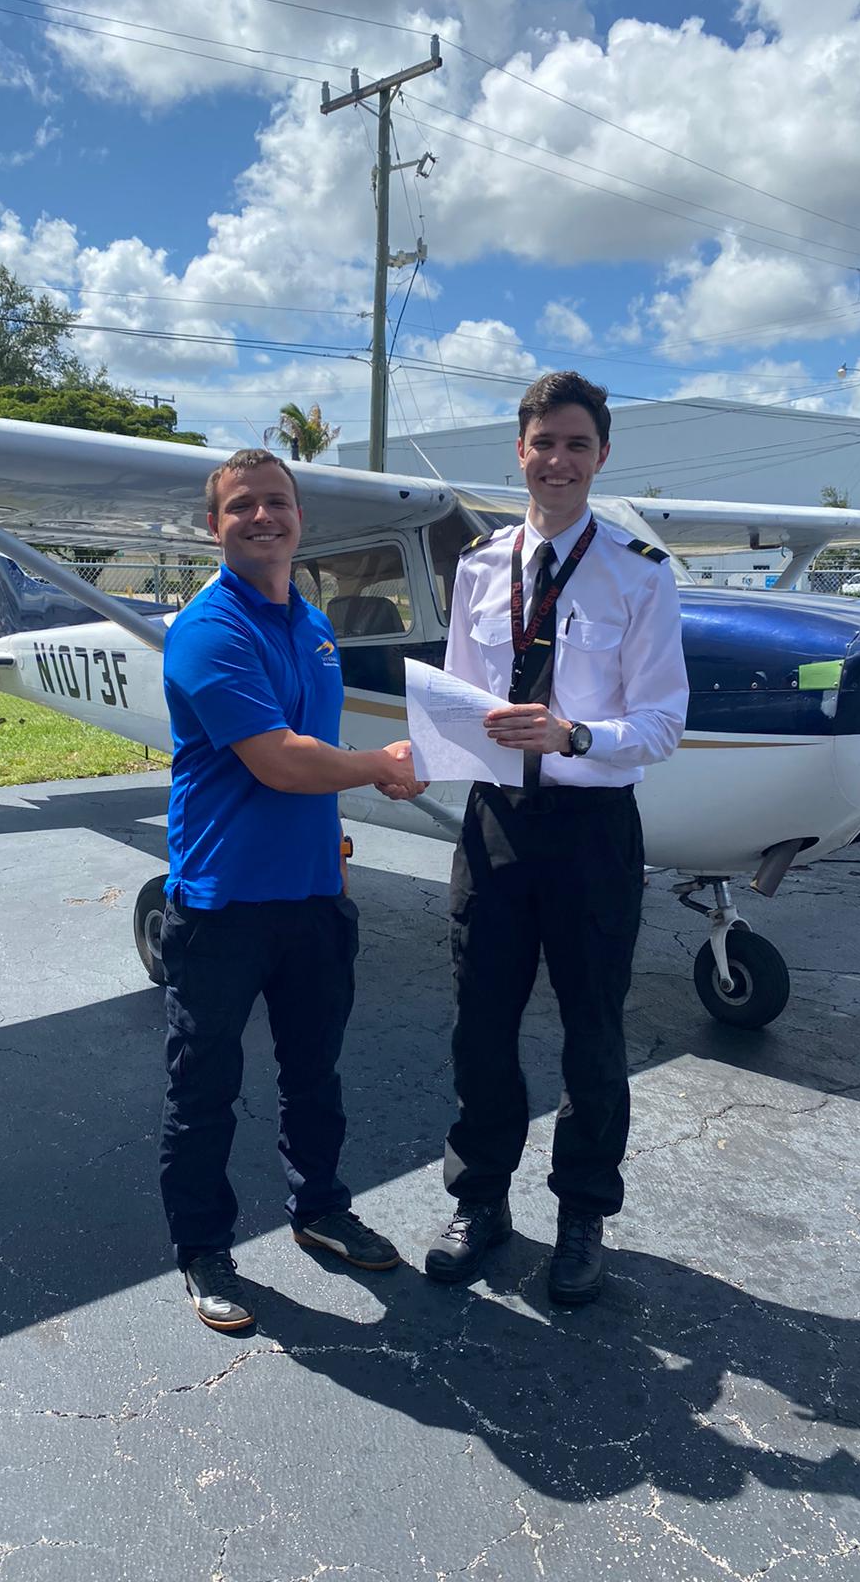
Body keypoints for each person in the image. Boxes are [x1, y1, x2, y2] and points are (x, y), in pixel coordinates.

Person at [424, 371, 689, 1306]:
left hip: (589, 829)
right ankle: (481, 1203)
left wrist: (575, 735)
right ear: (521, 452)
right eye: (545, 444)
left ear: (601, 455)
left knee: (593, 1032)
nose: (560, 461)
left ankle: (583, 1215)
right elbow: (458, 697)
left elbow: (662, 723)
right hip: (495, 821)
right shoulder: (480, 567)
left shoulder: (637, 573)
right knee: (481, 1024)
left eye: (578, 445)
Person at [160, 447, 424, 1333]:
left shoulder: (310, 623)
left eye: (278, 504)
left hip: (312, 896)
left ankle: (320, 1209)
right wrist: (379, 767)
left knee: (315, 1074)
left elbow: (311, 750)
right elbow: (278, 761)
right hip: (223, 899)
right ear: (215, 525)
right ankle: (202, 1250)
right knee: (205, 1088)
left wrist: (337, 870)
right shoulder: (207, 628)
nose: (263, 518)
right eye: (243, 507)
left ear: (299, 519)